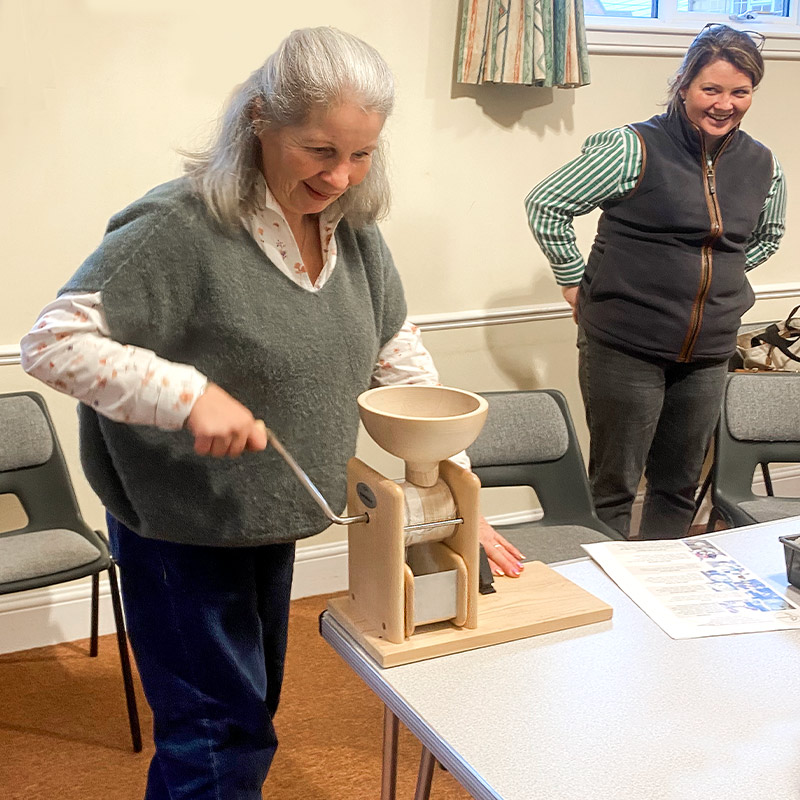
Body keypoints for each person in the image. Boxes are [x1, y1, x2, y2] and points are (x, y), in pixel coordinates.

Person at [20, 27, 521, 799]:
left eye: (362, 156)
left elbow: (396, 355)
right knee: (219, 740)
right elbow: (54, 345)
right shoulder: (180, 226)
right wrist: (188, 396)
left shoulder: (353, 232)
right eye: (321, 151)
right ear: (260, 119)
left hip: (276, 515)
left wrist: (456, 494)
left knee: (249, 714)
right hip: (181, 528)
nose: (341, 177)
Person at [525, 24, 786, 540]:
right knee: (616, 485)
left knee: (678, 484)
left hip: (709, 352)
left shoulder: (763, 163)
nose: (724, 104)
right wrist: (574, 280)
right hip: (626, 345)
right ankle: (608, 595)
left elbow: (768, 235)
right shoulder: (632, 147)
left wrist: (712, 283)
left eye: (740, 91)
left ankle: (664, 592)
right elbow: (546, 204)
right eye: (711, 89)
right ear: (684, 84)